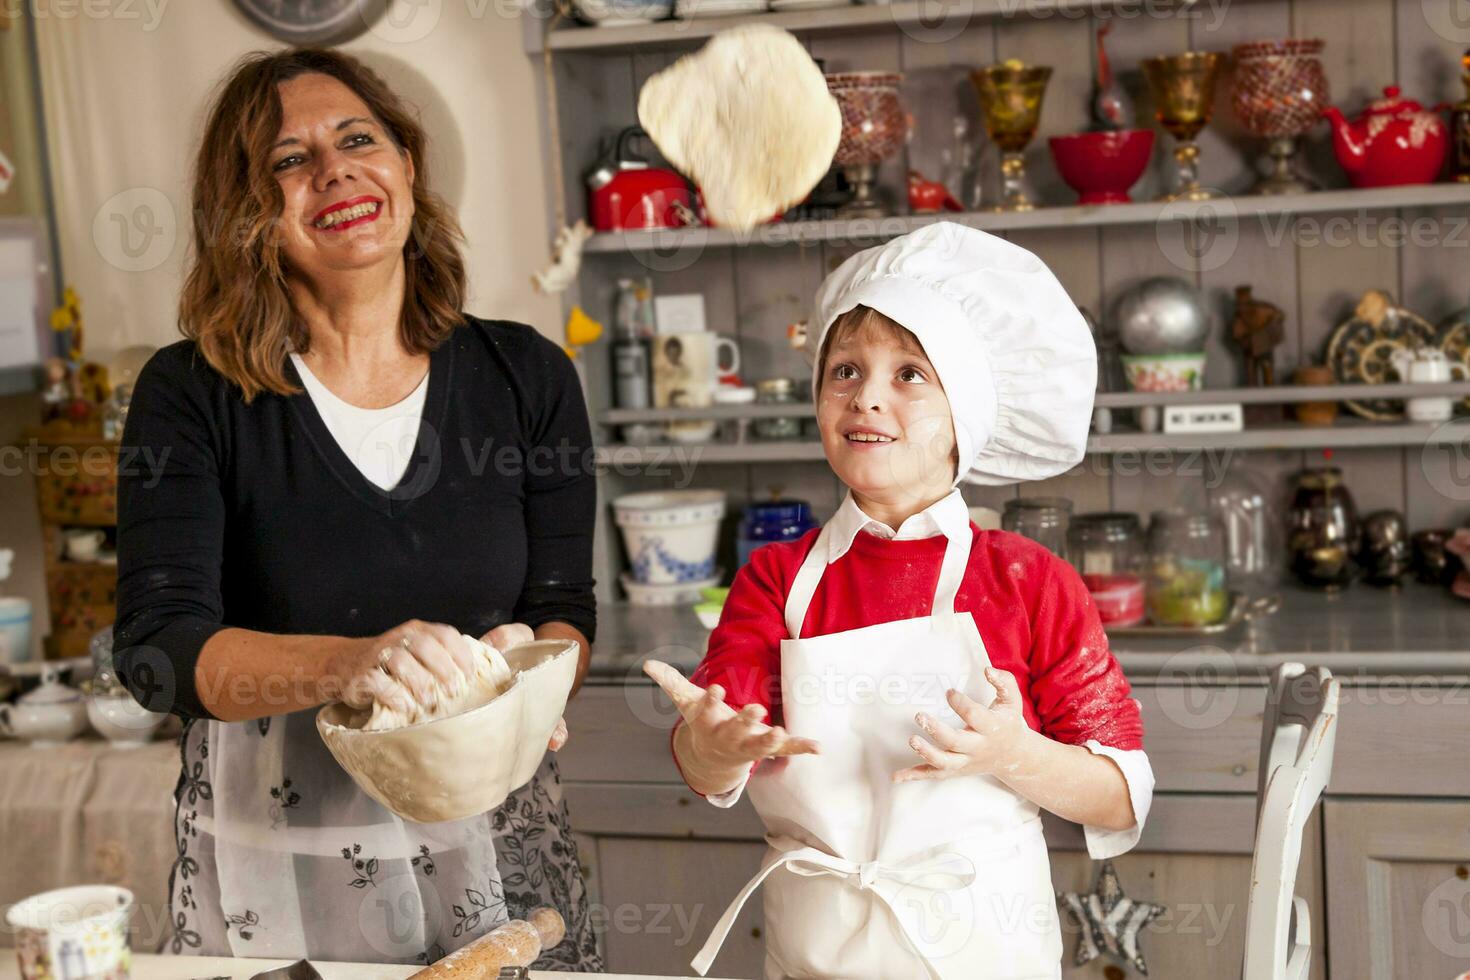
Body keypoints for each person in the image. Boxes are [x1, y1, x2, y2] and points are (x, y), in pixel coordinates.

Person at [114, 48, 602, 970]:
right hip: (282, 863)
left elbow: (563, 611)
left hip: (497, 842)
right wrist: (358, 664)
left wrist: (529, 680)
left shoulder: (526, 376)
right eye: (288, 161)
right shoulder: (192, 394)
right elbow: (156, 653)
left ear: (406, 165)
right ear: (247, 213)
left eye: (357, 139)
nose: (334, 170)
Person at [644, 222, 1154, 979]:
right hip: (818, 952)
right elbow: (719, 740)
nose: (867, 398)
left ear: (969, 411)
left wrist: (1017, 755)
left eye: (910, 373)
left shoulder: (1029, 579)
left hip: (985, 953)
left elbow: (1118, 799)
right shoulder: (777, 578)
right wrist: (712, 749)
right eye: (844, 370)